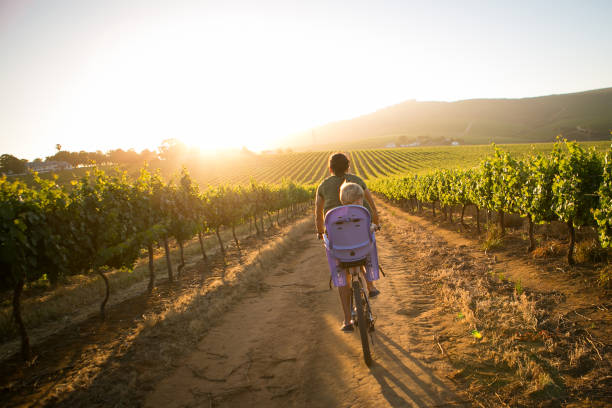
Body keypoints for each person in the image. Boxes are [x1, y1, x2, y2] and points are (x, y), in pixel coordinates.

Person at [315, 152, 381, 332]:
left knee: (343, 277)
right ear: (348, 167)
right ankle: (371, 285)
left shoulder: (323, 186)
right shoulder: (357, 181)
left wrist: (321, 233)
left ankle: (347, 320)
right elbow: (373, 207)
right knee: (366, 249)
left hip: (339, 245)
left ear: (330, 169)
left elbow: (318, 214)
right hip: (361, 241)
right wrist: (377, 223)